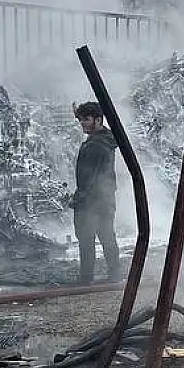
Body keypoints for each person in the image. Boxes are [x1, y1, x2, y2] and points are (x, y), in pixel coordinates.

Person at [70, 101, 121, 283]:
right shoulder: (105, 140)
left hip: (92, 201)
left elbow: (89, 179)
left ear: (98, 120)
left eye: (86, 119)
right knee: (107, 236)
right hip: (104, 199)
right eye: (81, 119)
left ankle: (86, 278)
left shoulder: (95, 145)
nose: (82, 123)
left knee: (86, 239)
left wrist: (79, 198)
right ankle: (114, 274)